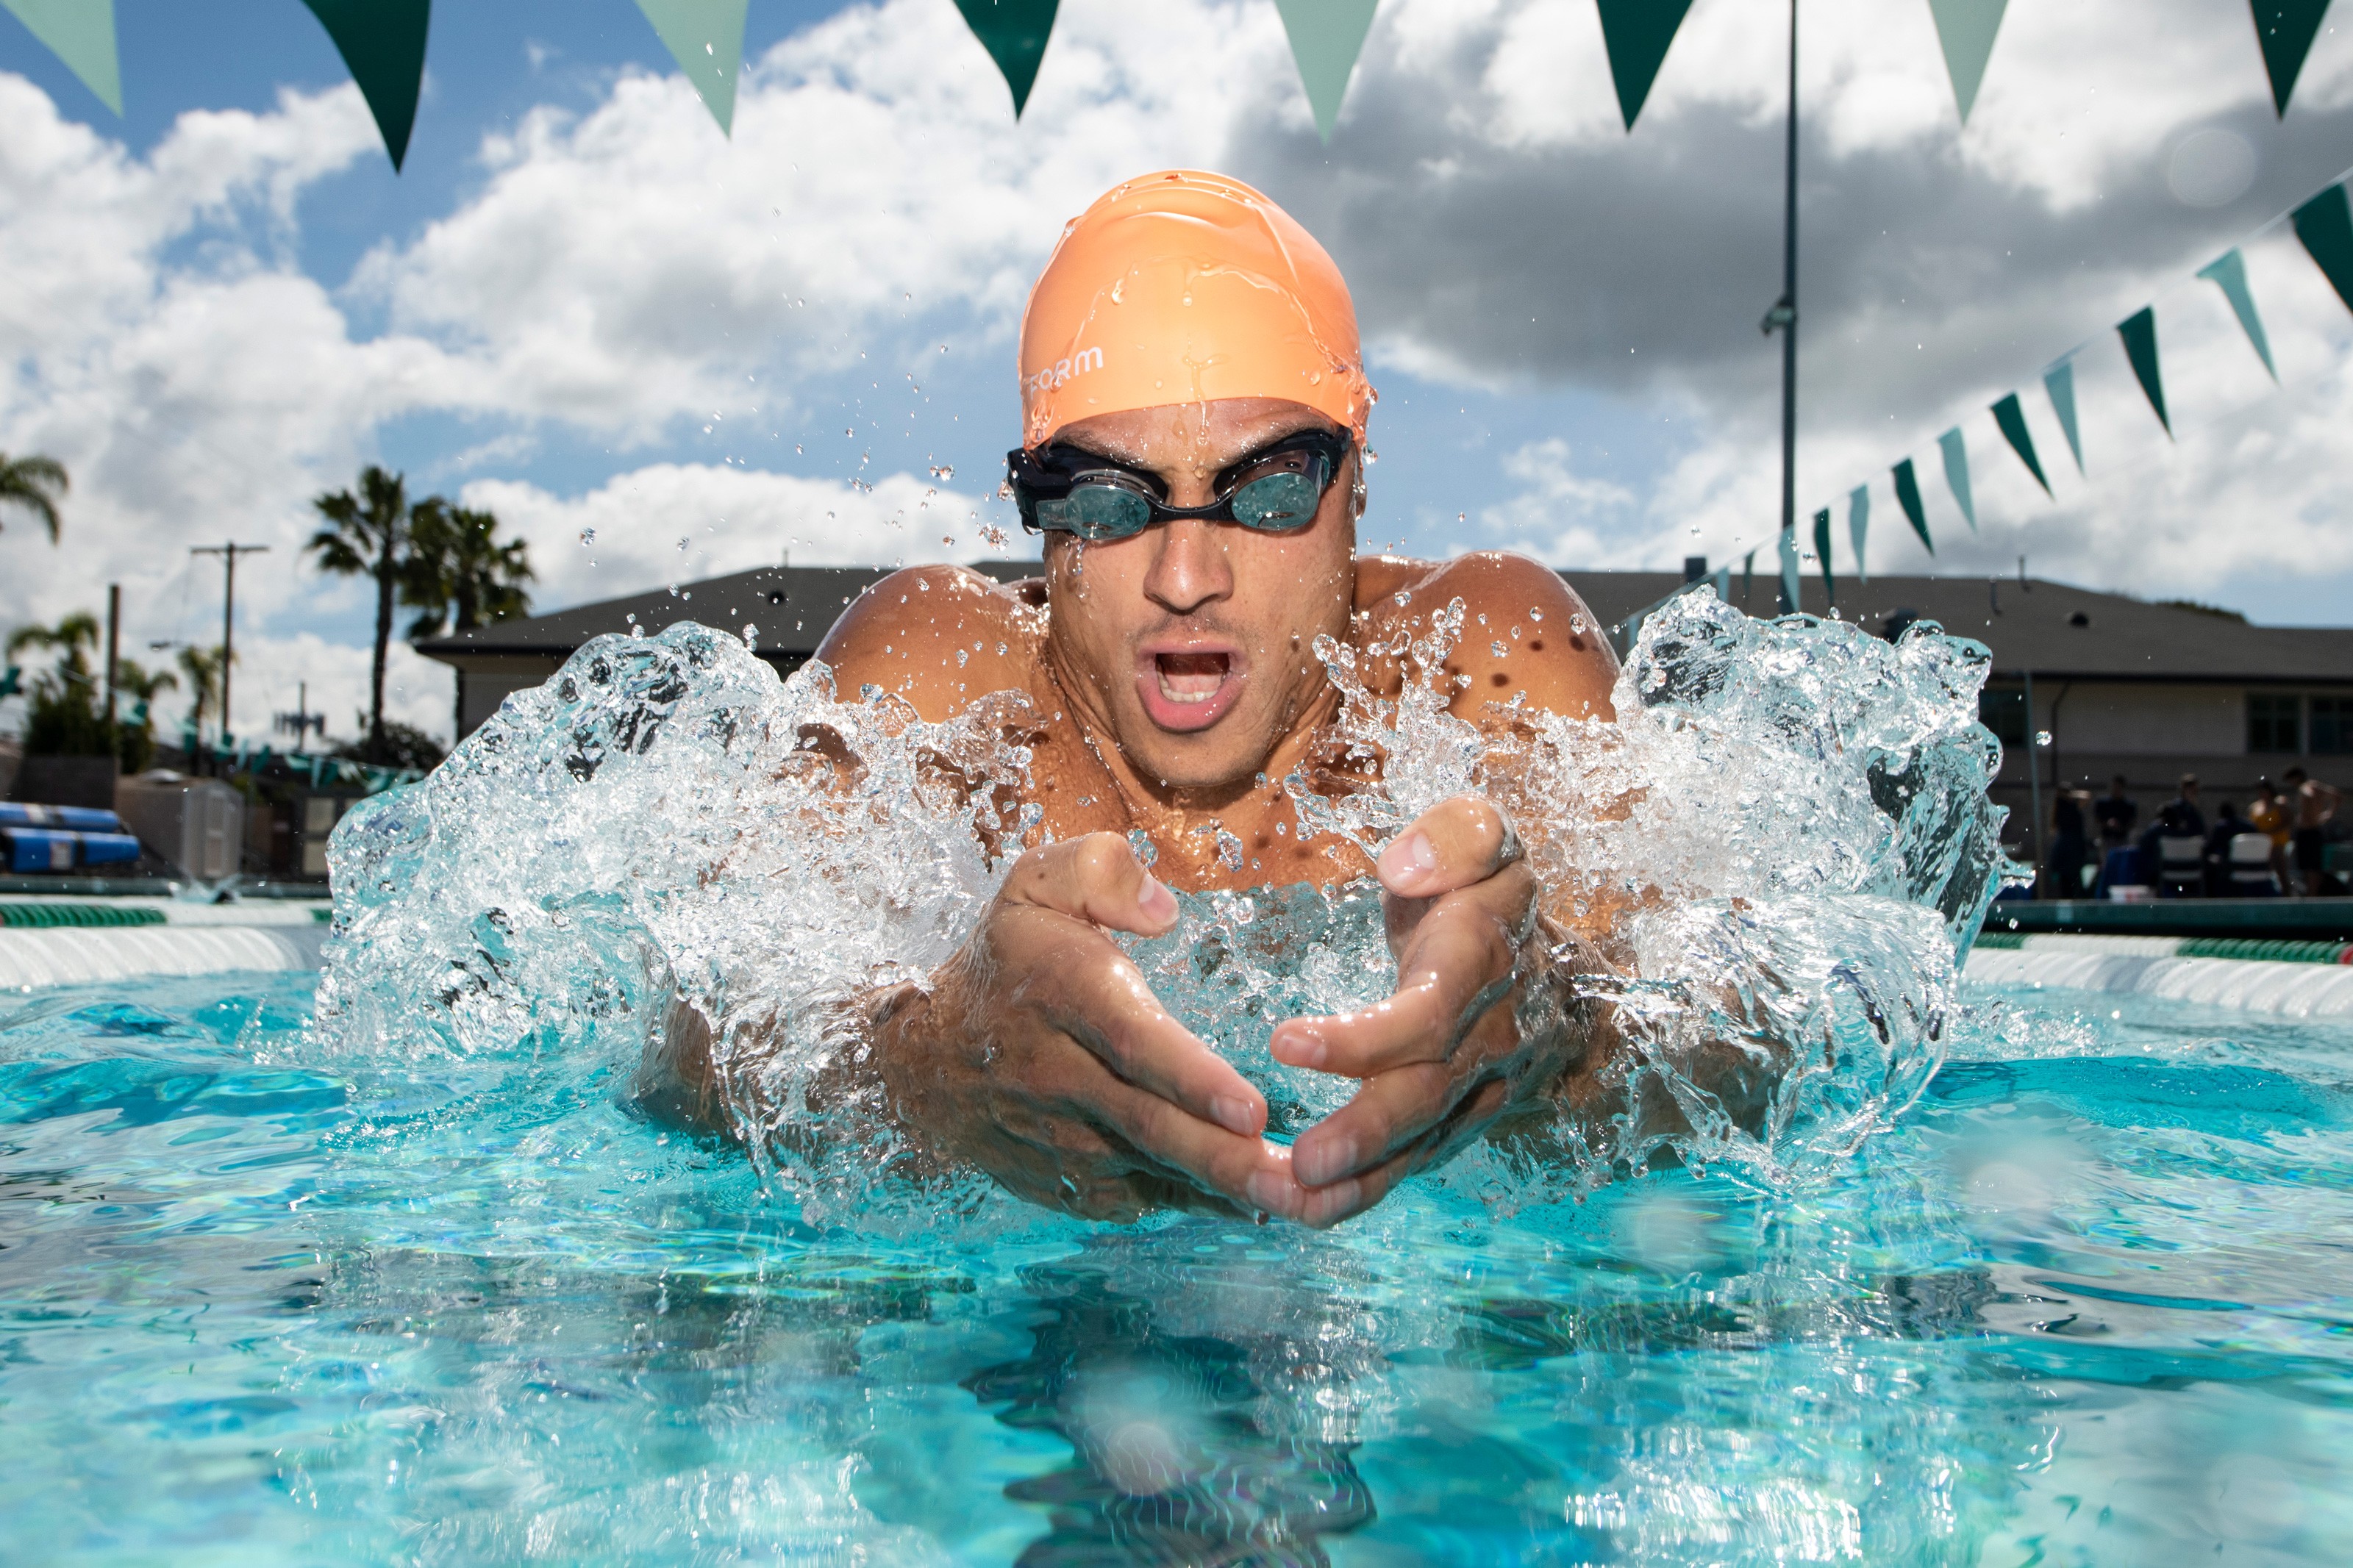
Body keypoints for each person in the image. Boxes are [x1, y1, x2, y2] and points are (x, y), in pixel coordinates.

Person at [642, 171, 1763, 1228]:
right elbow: (688, 1045)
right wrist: (932, 1065)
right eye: (1107, 502)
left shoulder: (1482, 659)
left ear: (1355, 479)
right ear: (1037, 516)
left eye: (1268, 492)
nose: (1186, 579)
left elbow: (1751, 1029)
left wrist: (1564, 1034)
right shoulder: (943, 680)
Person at [2284, 766, 2343, 896]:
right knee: (2308, 867)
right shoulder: (2315, 786)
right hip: (2307, 833)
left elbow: (2334, 795)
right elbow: (2336, 795)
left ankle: (2312, 894)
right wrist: (2328, 813)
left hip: (2310, 832)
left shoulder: (2307, 787)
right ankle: (2312, 894)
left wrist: (2328, 814)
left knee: (2312, 868)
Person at [2046, 785, 2088, 900]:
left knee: (2075, 879)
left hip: (2075, 847)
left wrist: (2071, 795)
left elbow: (2086, 797)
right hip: (2066, 849)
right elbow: (2054, 829)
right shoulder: (2061, 808)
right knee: (2066, 881)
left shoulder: (2074, 805)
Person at [2249, 777, 2291, 891]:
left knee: (2281, 872)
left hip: (2277, 843)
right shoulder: (2255, 807)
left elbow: (2287, 822)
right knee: (2264, 873)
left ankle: (2287, 895)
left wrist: (2270, 831)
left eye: (2263, 791)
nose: (2261, 793)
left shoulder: (2279, 804)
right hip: (2261, 845)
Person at [2202, 799, 2249, 898]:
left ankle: (2211, 898)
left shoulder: (2222, 827)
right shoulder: (2249, 826)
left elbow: (2211, 848)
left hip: (2230, 868)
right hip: (2251, 866)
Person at [2092, 774, 2137, 848]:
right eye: (2114, 787)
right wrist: (2107, 824)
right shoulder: (2103, 804)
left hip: (2122, 839)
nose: (2115, 790)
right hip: (2106, 838)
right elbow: (2097, 819)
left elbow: (2132, 823)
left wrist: (2120, 827)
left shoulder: (2129, 805)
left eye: (2118, 787)